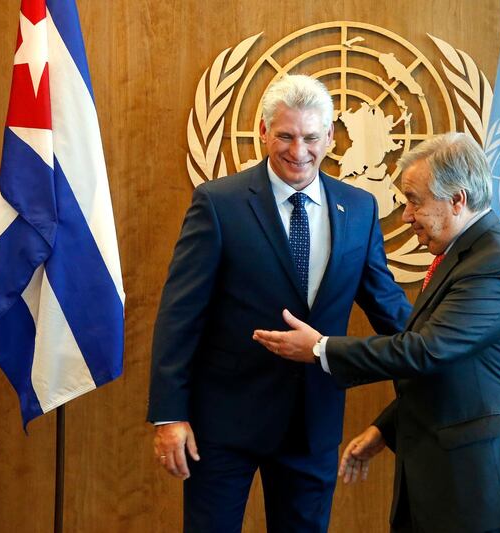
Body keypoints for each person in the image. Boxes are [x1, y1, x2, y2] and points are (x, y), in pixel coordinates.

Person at [253, 132, 500, 533]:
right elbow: (451, 367)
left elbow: (427, 352)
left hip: (484, 477)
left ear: (457, 200)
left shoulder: (494, 265)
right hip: (454, 472)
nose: (406, 216)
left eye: (415, 200)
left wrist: (320, 350)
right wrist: (386, 428)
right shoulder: (463, 256)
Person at [147, 74, 411, 533]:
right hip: (224, 424)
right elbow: (180, 315)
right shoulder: (219, 203)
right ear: (264, 132)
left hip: (313, 425)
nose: (299, 151)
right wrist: (170, 414)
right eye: (286, 136)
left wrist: (441, 346)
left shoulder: (360, 207)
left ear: (331, 136)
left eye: (311, 137)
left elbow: (386, 303)